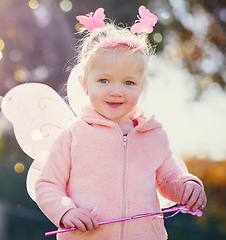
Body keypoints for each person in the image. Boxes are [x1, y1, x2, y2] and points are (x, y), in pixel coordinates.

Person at [34, 6, 207, 239]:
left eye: (128, 83)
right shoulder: (74, 135)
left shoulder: (154, 136)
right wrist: (65, 212)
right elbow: (47, 184)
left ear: (142, 87)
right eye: (104, 80)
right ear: (85, 84)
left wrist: (187, 186)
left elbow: (169, 180)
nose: (116, 91)